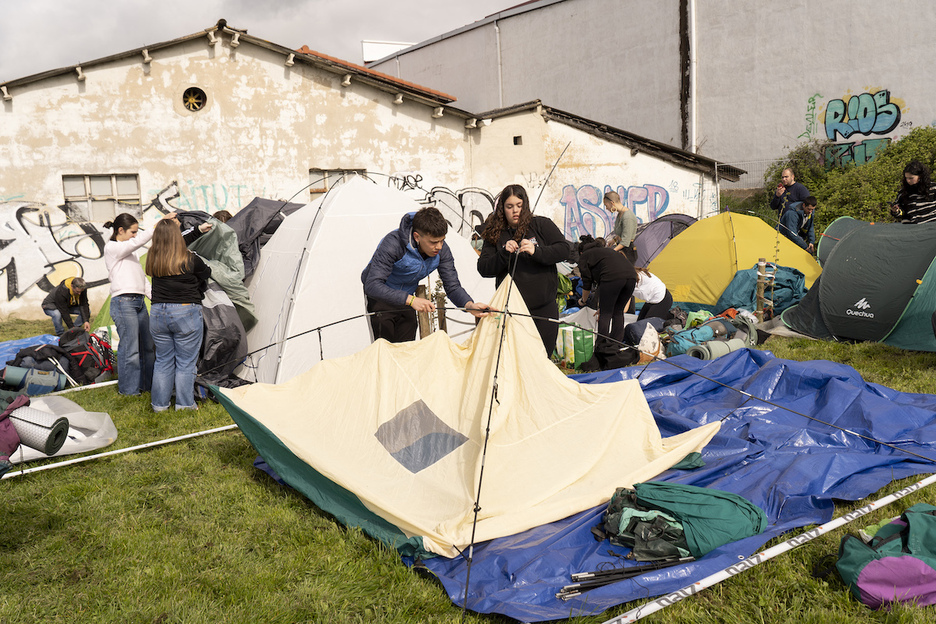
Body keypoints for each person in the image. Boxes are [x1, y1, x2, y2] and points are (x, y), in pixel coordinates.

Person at [361, 207, 491, 343]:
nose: (439, 247)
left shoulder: (442, 250)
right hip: (381, 298)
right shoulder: (393, 244)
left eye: (442, 240)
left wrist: (470, 306)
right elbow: (372, 285)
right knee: (383, 352)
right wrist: (411, 300)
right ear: (417, 237)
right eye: (433, 242)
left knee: (407, 351)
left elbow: (452, 286)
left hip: (408, 300)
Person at [478, 184, 572, 354]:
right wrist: (503, 253)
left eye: (519, 206)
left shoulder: (541, 224)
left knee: (543, 358)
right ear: (502, 209)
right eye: (510, 206)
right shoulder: (495, 233)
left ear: (525, 205)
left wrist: (537, 251)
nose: (515, 211)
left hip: (544, 308)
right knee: (516, 360)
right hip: (512, 311)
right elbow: (484, 268)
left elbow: (564, 249)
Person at [104, 211, 178, 396]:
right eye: (133, 232)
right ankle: (129, 391)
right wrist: (159, 223)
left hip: (138, 302)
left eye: (137, 232)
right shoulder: (112, 248)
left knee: (147, 346)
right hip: (123, 303)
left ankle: (147, 385)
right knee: (130, 350)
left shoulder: (131, 252)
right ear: (120, 230)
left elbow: (141, 278)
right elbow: (136, 242)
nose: (135, 236)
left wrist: (157, 298)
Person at [145, 219, 212, 412]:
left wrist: (198, 231)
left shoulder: (152, 257)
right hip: (186, 312)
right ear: (178, 237)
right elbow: (207, 273)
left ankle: (159, 405)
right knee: (185, 362)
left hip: (158, 312)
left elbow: (171, 243)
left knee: (163, 360)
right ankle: (184, 405)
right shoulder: (190, 259)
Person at [575, 235, 637, 371]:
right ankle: (616, 346)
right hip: (632, 276)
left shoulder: (585, 257)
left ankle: (602, 349)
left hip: (612, 277)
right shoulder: (606, 251)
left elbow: (587, 283)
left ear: (580, 252)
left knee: (606, 313)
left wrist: (583, 301)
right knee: (618, 311)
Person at [604, 191, 638, 264]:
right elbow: (623, 232)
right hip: (623, 250)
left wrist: (611, 252)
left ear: (612, 203)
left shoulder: (627, 216)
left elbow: (626, 241)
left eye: (606, 205)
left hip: (628, 252)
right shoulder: (620, 214)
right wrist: (614, 240)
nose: (606, 208)